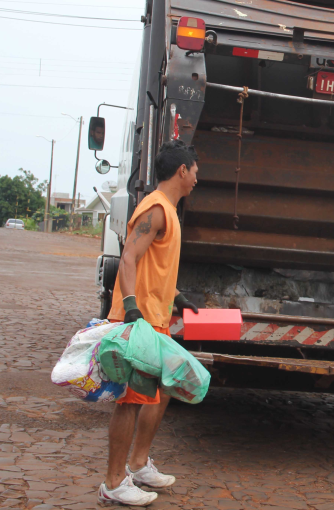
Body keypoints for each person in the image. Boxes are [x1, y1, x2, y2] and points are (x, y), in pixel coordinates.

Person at [98, 140, 200, 506]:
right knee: (129, 401)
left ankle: (138, 464)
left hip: (156, 317)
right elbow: (129, 257)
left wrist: (178, 297)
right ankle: (113, 483)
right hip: (139, 320)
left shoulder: (168, 211)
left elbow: (153, 266)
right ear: (182, 171)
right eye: (195, 172)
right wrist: (130, 308)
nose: (196, 179)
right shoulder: (156, 209)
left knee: (167, 387)